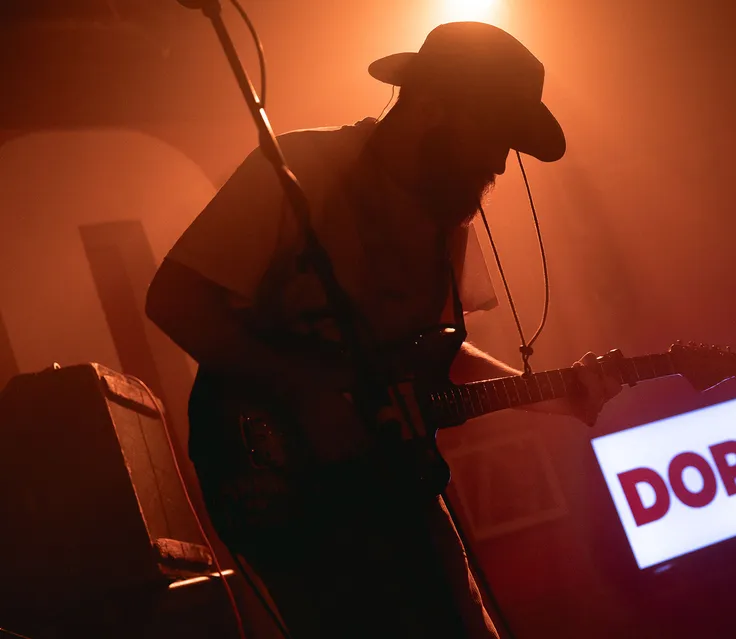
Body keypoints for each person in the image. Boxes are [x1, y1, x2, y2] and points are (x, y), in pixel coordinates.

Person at [146, 21, 622, 638]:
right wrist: (304, 393)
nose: (500, 163)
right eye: (492, 136)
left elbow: (430, 356)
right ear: (429, 107)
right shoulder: (298, 168)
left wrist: (554, 396)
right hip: (277, 476)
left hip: (391, 479)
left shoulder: (445, 217)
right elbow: (174, 298)